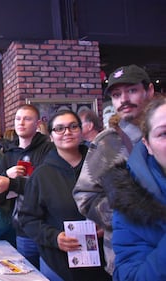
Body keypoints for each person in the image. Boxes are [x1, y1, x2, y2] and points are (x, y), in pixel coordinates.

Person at [73, 64, 155, 275]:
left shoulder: (161, 131)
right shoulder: (107, 143)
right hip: (129, 259)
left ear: (149, 91)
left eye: (132, 91)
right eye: (117, 94)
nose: (124, 99)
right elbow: (84, 195)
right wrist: (127, 214)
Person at [19, 110, 110, 281]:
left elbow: (121, 205)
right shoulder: (42, 175)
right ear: (51, 136)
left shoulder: (101, 166)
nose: (67, 132)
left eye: (73, 126)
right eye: (59, 128)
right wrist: (55, 237)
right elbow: (27, 219)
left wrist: (109, 225)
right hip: (58, 265)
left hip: (105, 261)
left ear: (81, 130)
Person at [101, 95, 166, 280]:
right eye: (164, 133)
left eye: (131, 90)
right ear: (148, 145)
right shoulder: (132, 204)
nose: (124, 99)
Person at [0, 104, 53, 268]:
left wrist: (12, 183)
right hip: (23, 229)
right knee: (28, 274)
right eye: (18, 119)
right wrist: (6, 176)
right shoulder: (8, 154)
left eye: (27, 119)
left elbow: (48, 186)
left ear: (37, 124)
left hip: (49, 226)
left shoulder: (49, 149)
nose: (21, 123)